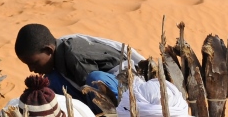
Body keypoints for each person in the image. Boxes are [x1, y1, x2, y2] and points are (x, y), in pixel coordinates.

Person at [14, 24, 145, 108]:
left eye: (34, 63)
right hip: (99, 87)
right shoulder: (59, 55)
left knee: (95, 80)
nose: (31, 69)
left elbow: (93, 92)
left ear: (49, 50)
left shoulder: (74, 56)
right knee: (51, 82)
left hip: (125, 87)